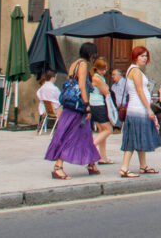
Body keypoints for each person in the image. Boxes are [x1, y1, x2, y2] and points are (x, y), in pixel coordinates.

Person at [44, 42, 101, 180]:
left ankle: (92, 164)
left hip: (70, 106)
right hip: (78, 107)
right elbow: (81, 86)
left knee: (85, 135)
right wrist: (87, 105)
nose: (95, 56)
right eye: (94, 54)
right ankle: (58, 167)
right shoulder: (83, 65)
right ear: (90, 54)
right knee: (71, 135)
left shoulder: (74, 64)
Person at [119, 46, 159, 178]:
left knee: (140, 136)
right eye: (141, 56)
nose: (144, 58)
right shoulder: (135, 71)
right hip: (138, 109)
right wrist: (148, 109)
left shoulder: (134, 70)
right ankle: (124, 168)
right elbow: (139, 91)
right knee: (132, 138)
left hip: (137, 108)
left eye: (146, 56)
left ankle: (143, 165)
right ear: (135, 57)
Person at [90, 58, 114, 164]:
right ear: (96, 69)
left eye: (105, 69)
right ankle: (91, 145)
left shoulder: (97, 77)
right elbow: (106, 91)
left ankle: (103, 157)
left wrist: (105, 89)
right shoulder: (97, 78)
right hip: (98, 105)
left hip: (94, 105)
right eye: (101, 70)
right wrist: (105, 89)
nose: (104, 72)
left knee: (102, 130)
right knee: (108, 129)